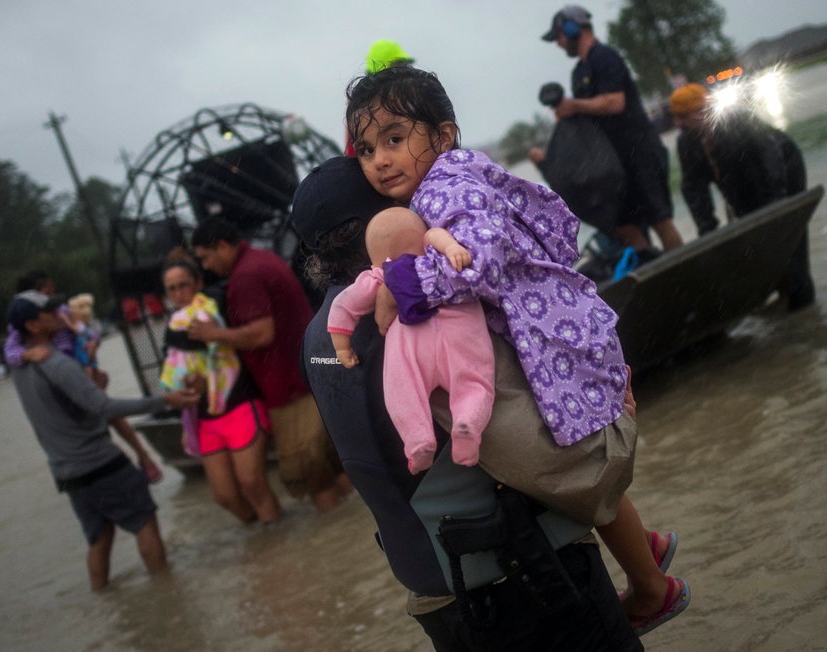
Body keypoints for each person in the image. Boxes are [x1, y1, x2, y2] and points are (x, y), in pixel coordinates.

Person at [345, 66, 690, 634]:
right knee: (580, 463)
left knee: (573, 468)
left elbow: (480, 259)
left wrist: (399, 290)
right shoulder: (456, 176)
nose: (380, 159)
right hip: (566, 331)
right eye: (366, 148)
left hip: (556, 345)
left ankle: (655, 588)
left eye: (395, 138)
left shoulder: (445, 187)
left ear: (444, 134)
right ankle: (644, 545)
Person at [293, 156, 644, 650]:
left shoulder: (318, 336)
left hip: (436, 597)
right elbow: (535, 446)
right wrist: (614, 427)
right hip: (523, 575)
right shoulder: (417, 306)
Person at [6, 289, 199, 590]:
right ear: (32, 326)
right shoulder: (57, 364)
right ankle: (167, 590)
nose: (58, 316)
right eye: (49, 314)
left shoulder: (20, 370)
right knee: (144, 520)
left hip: (67, 472)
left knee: (99, 538)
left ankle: (103, 598)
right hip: (99, 462)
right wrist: (165, 401)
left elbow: (71, 405)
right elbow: (104, 407)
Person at [189, 219, 351, 513]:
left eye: (205, 257)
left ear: (222, 247)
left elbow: (263, 333)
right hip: (308, 374)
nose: (207, 266)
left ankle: (334, 528)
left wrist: (214, 335)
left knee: (311, 475)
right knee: (333, 465)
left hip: (289, 389)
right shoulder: (262, 260)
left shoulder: (245, 277)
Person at [328, 207, 495, 473]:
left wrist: (341, 347)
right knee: (475, 383)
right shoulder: (434, 252)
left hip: (410, 345)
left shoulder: (379, 276)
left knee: (402, 392)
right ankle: (468, 424)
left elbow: (343, 306)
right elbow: (438, 235)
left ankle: (418, 439)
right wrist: (452, 248)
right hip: (461, 335)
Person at [538, 5, 684, 253]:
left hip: (639, 151)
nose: (559, 44)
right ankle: (651, 270)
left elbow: (615, 102)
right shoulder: (579, 72)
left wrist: (574, 106)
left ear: (574, 29)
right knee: (626, 227)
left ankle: (685, 273)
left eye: (559, 37)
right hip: (612, 164)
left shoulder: (605, 57)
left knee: (659, 219)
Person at [4, 271, 164, 483]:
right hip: (61, 375)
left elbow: (87, 332)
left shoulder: (59, 311)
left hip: (78, 367)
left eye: (51, 287)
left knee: (107, 411)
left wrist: (92, 345)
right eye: (44, 289)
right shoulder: (22, 327)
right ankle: (122, 462)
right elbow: (9, 353)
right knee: (98, 413)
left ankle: (141, 457)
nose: (50, 292)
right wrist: (27, 354)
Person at [670, 82, 817, 310]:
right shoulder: (687, 141)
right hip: (739, 185)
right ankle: (782, 291)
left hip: (784, 169)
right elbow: (693, 186)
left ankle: (802, 301)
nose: (677, 123)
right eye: (675, 117)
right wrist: (707, 228)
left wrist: (776, 203)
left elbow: (769, 155)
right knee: (757, 245)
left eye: (682, 116)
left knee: (790, 238)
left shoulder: (737, 120)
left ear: (702, 111)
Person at [160, 259, 282, 524]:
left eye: (183, 285)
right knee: (224, 496)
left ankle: (277, 534)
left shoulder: (216, 309)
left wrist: (215, 334)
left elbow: (249, 338)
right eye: (171, 289)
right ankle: (266, 539)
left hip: (240, 403)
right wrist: (176, 394)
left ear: (198, 284)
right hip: (207, 416)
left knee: (252, 484)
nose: (178, 292)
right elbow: (170, 376)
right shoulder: (174, 329)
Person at [64, 293, 100, 369]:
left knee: (87, 365)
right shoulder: (85, 326)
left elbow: (74, 329)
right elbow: (94, 335)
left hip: (81, 348)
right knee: (90, 365)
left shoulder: (79, 325)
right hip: (83, 348)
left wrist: (65, 319)